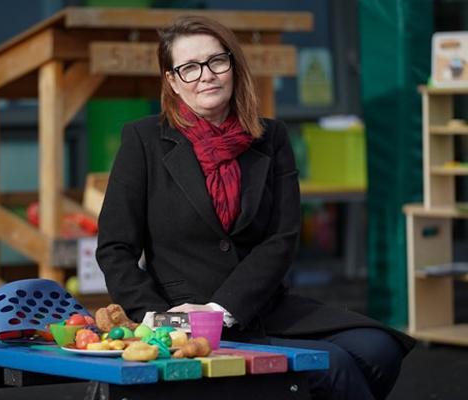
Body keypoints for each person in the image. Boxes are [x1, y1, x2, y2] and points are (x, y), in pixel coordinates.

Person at [96, 15, 415, 400]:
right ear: (173, 81)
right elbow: (115, 247)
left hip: (258, 306)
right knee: (333, 366)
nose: (206, 75)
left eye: (216, 61)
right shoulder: (143, 139)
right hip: (181, 319)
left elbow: (282, 237)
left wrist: (222, 308)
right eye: (189, 67)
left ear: (233, 66)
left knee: (378, 349)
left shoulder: (270, 136)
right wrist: (157, 317)